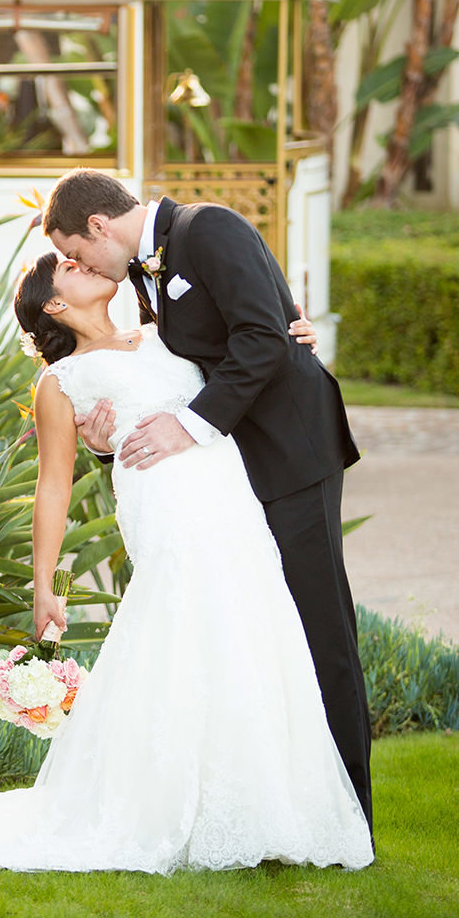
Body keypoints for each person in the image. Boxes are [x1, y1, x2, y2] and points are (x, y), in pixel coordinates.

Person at [0, 251, 373, 874]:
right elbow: (52, 487)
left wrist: (292, 330)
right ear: (54, 303)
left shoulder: (159, 331)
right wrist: (46, 587)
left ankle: (263, 803)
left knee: (250, 627)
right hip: (165, 507)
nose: (85, 262)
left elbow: (240, 353)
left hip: (230, 496)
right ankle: (171, 807)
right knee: (184, 626)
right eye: (68, 264)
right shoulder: (61, 382)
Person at [43, 169, 373, 836]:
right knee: (265, 634)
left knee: (319, 629)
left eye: (77, 253)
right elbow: (184, 369)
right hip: (230, 477)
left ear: (100, 226)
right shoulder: (142, 274)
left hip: (291, 454)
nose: (79, 265)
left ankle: (350, 813)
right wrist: (113, 442)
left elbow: (258, 339)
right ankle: (282, 801)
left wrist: (197, 417)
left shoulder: (211, 227)